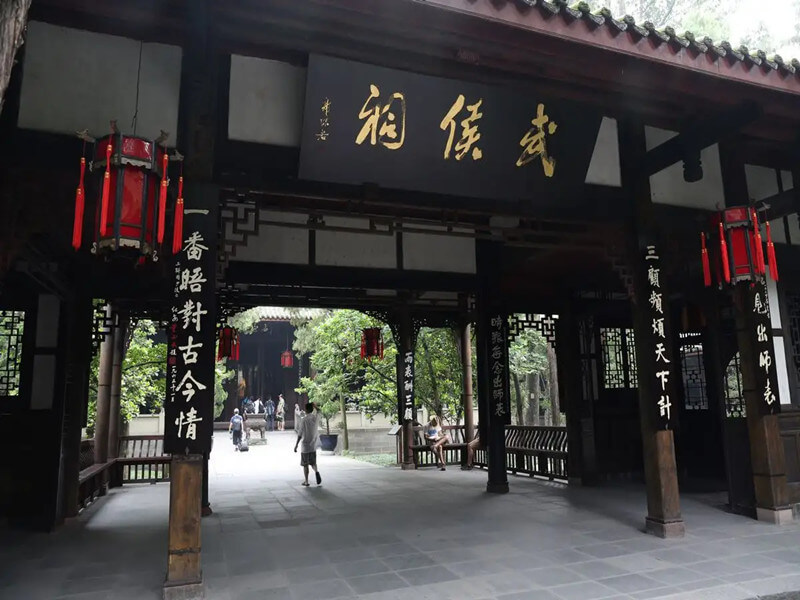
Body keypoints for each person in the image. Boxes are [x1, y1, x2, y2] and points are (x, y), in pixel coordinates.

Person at [294, 402, 322, 486]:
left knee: (305, 464)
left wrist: (296, 445)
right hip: (313, 445)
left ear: (306, 410)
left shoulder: (304, 420)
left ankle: (306, 481)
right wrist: (314, 406)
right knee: (313, 463)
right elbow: (319, 411)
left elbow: (300, 434)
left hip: (305, 445)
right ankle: (316, 471)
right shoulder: (315, 418)